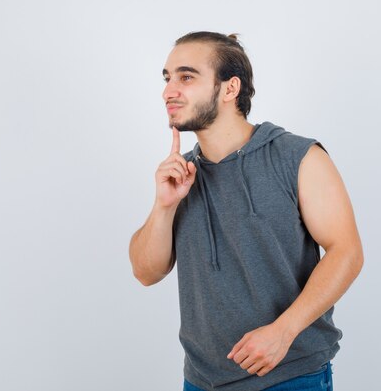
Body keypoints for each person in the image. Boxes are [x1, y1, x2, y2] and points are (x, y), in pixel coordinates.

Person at [129, 31, 364, 391]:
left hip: (290, 376)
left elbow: (347, 253)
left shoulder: (297, 157)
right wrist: (164, 206)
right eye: (167, 78)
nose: (168, 91)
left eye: (186, 77)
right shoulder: (181, 176)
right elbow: (146, 272)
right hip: (200, 380)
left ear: (229, 88)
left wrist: (283, 332)